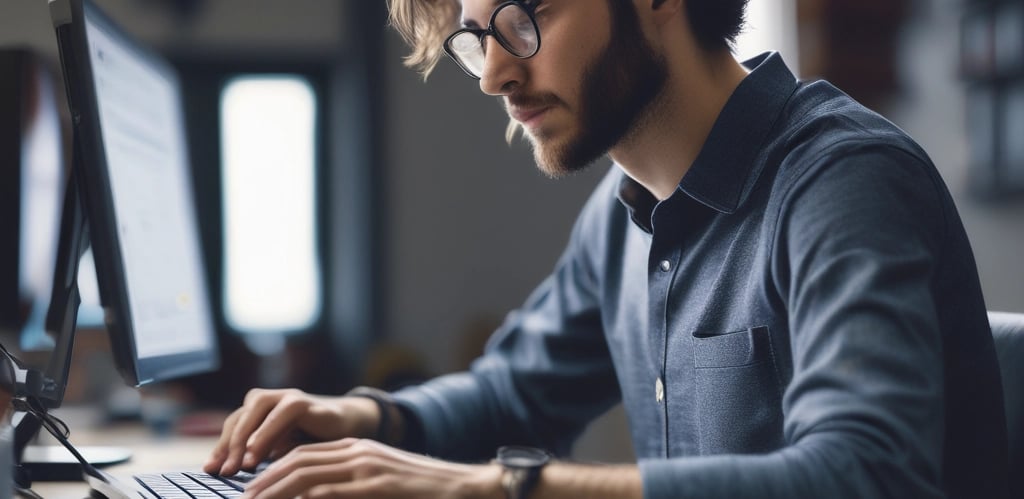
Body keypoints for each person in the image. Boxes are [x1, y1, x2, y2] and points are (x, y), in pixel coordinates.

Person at [204, 0, 1011, 497]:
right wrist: (360, 415)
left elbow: (864, 476)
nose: (491, 74)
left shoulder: (842, 182)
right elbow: (510, 394)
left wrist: (501, 490)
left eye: (526, 17)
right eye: (476, 36)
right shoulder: (620, 215)